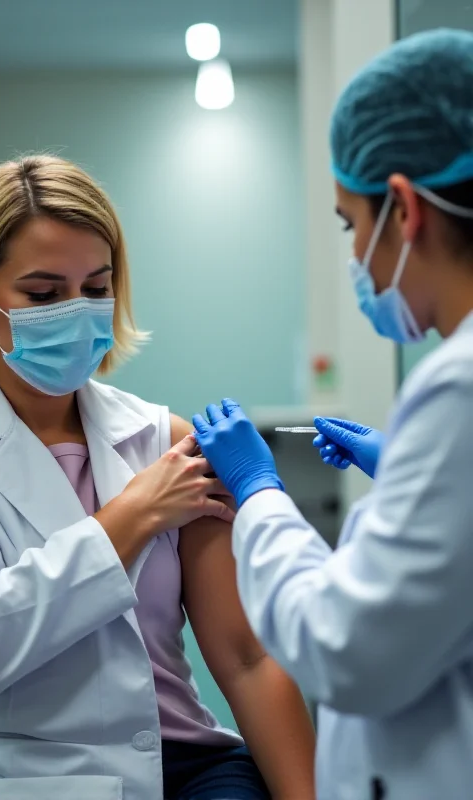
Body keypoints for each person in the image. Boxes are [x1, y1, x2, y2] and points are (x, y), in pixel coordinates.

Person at [0, 155, 315, 800]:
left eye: (96, 288)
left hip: (189, 766)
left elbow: (247, 658)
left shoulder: (160, 440)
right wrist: (135, 514)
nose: (77, 311)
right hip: (24, 778)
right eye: (43, 293)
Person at [192, 28, 473, 800]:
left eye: (353, 226)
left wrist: (259, 494)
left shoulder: (459, 390)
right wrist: (407, 468)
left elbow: (344, 648)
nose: (359, 259)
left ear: (406, 209)